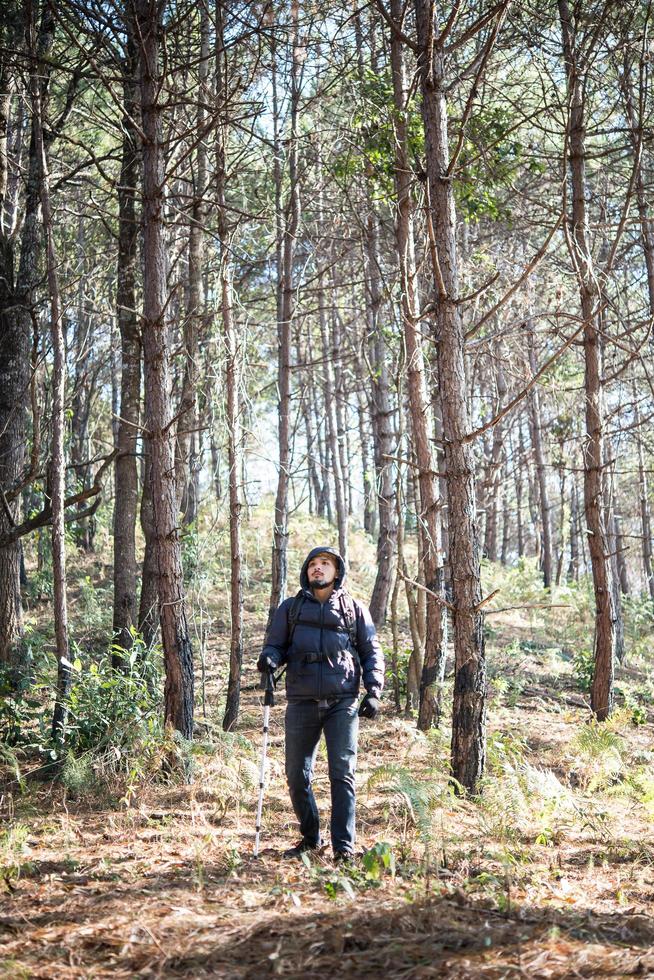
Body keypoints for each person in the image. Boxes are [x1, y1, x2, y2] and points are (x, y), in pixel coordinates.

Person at [257, 546, 385, 862]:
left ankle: (344, 848)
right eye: (313, 564)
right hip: (300, 702)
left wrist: (373, 691)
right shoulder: (290, 609)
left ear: (336, 571)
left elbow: (371, 651)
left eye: (325, 564)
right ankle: (311, 839)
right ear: (307, 571)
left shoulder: (354, 609)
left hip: (343, 700)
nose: (318, 569)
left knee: (342, 773)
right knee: (296, 774)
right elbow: (275, 645)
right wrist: (269, 659)